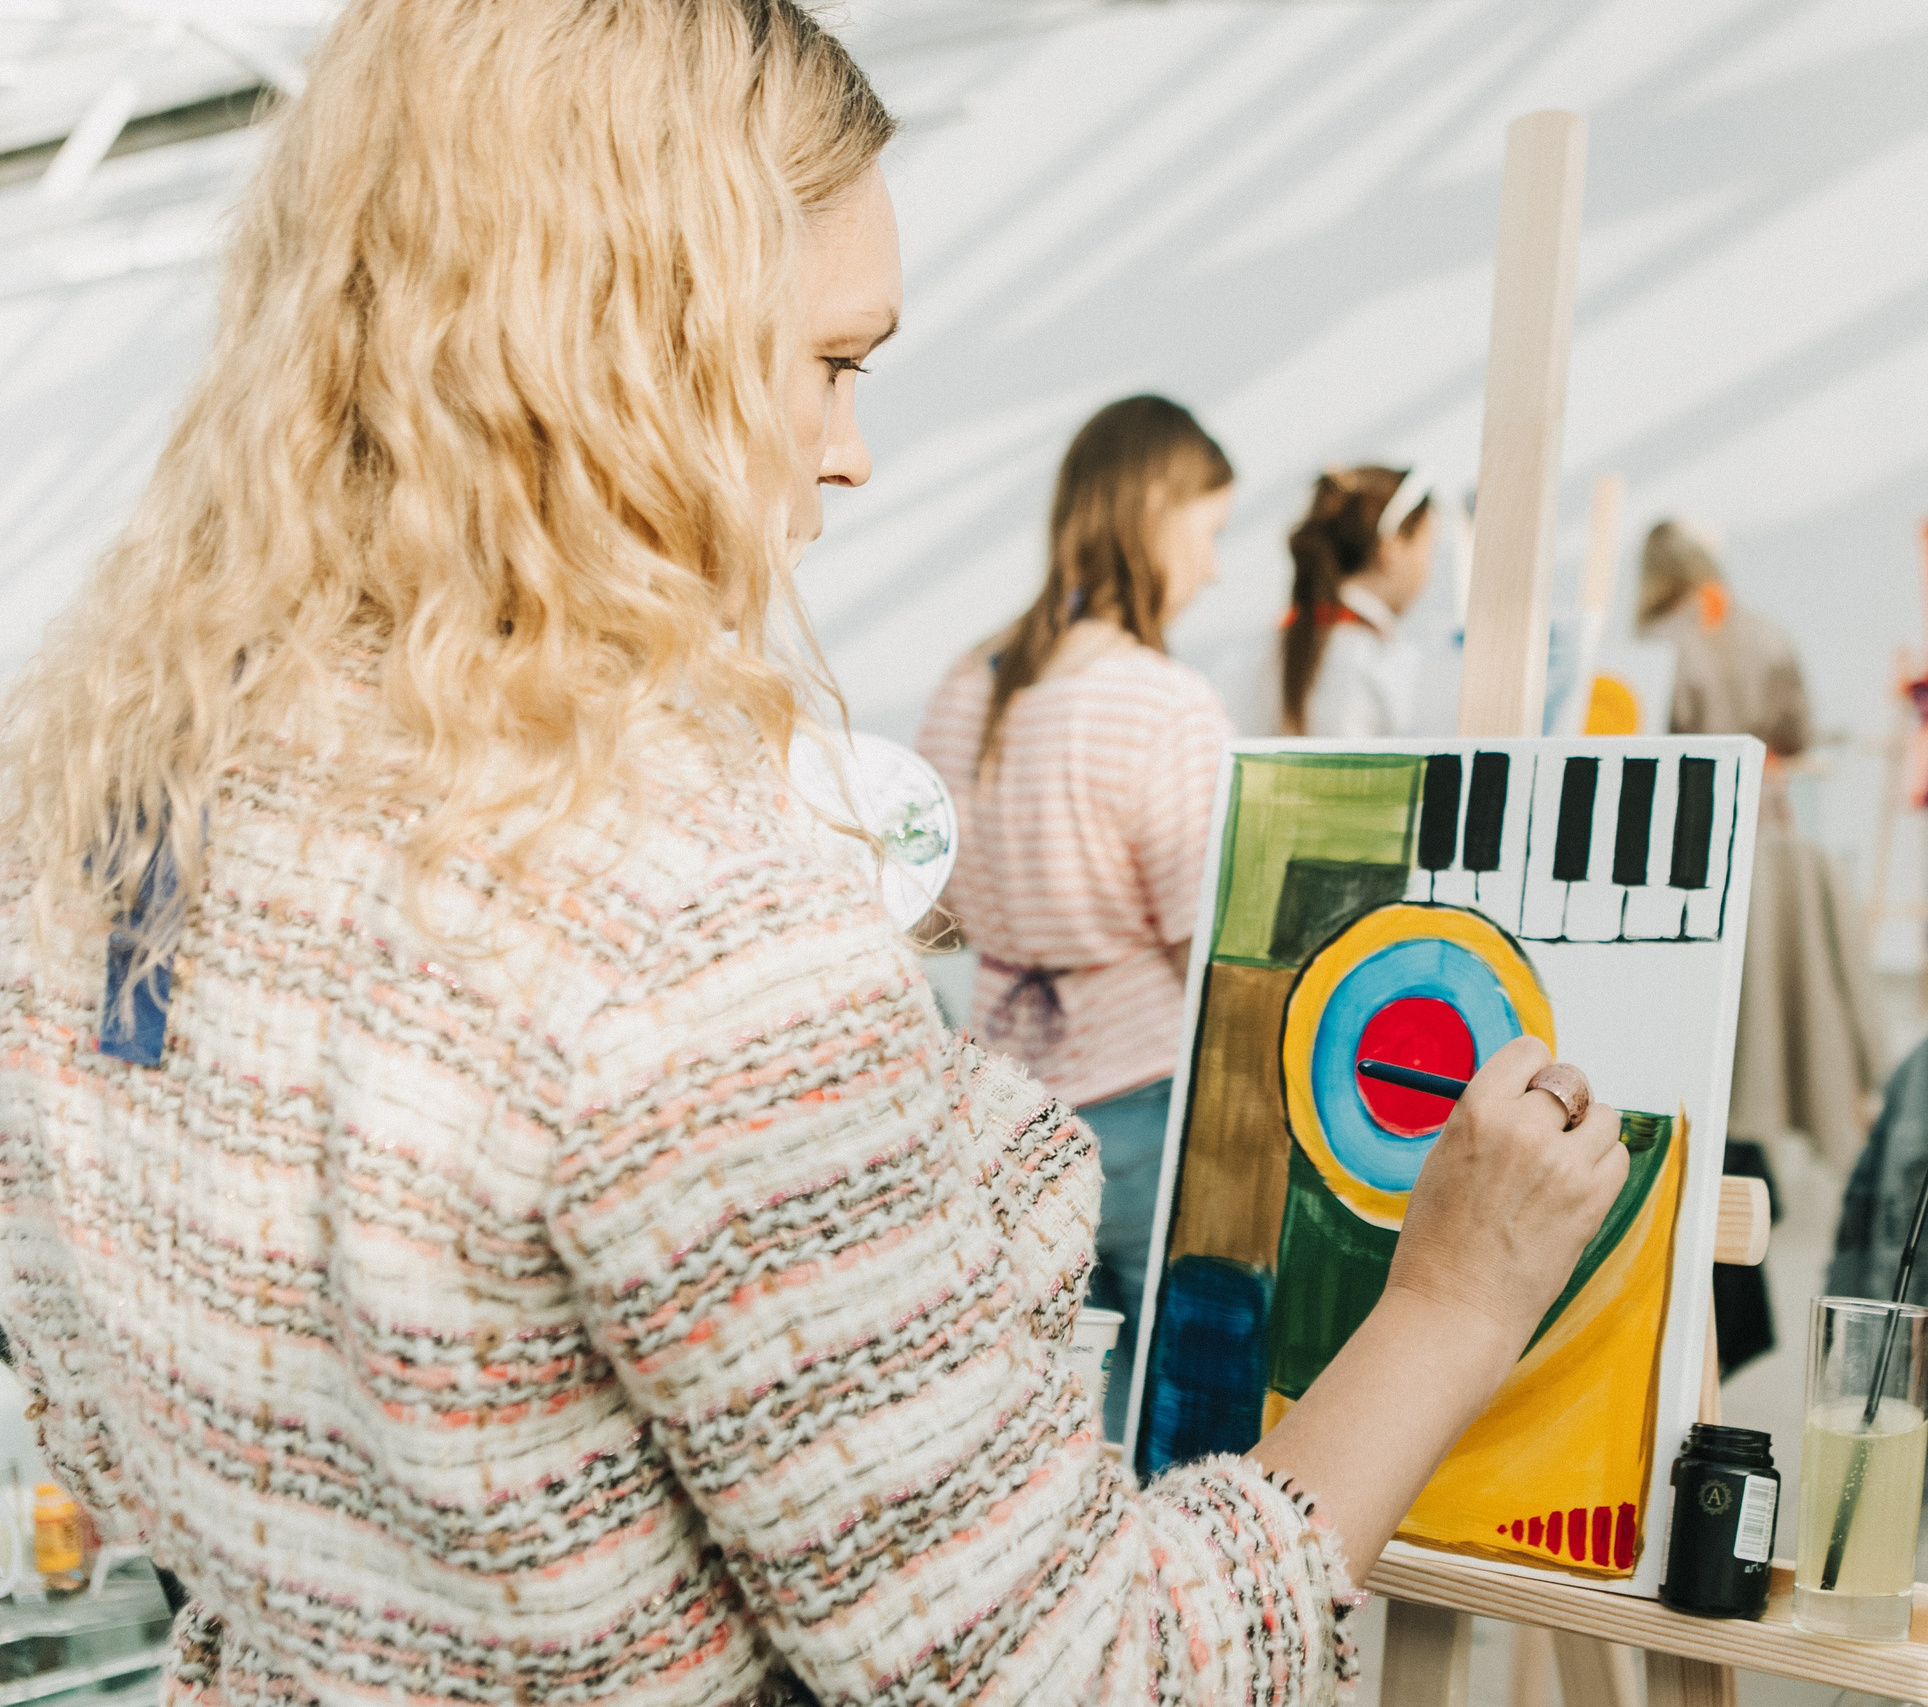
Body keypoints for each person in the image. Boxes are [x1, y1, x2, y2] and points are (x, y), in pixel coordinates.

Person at [0, 5, 1631, 1701]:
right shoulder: (669, 908)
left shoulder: (97, 812)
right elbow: (1088, 1672)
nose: (854, 449)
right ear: (617, 348)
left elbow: (122, 1472)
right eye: (833, 362)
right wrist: (1450, 1298)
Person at [913, 394, 1239, 1439]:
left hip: (999, 1102)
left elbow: (943, 908)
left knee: (1036, 1410)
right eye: (1212, 531)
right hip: (1141, 1100)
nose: (1215, 568)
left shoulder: (969, 684)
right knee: (1171, 1410)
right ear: (1155, 512)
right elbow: (1202, 937)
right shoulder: (1163, 700)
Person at [1252, 464, 1435, 738]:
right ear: (1391, 549)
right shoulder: (1386, 663)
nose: (1428, 568)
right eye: (1427, 548)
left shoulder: (1261, 651)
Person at [1635, 518, 1811, 759]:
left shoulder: (1656, 646)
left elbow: (1647, 748)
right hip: (1763, 790)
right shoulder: (1768, 633)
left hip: (1689, 791)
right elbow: (1798, 736)